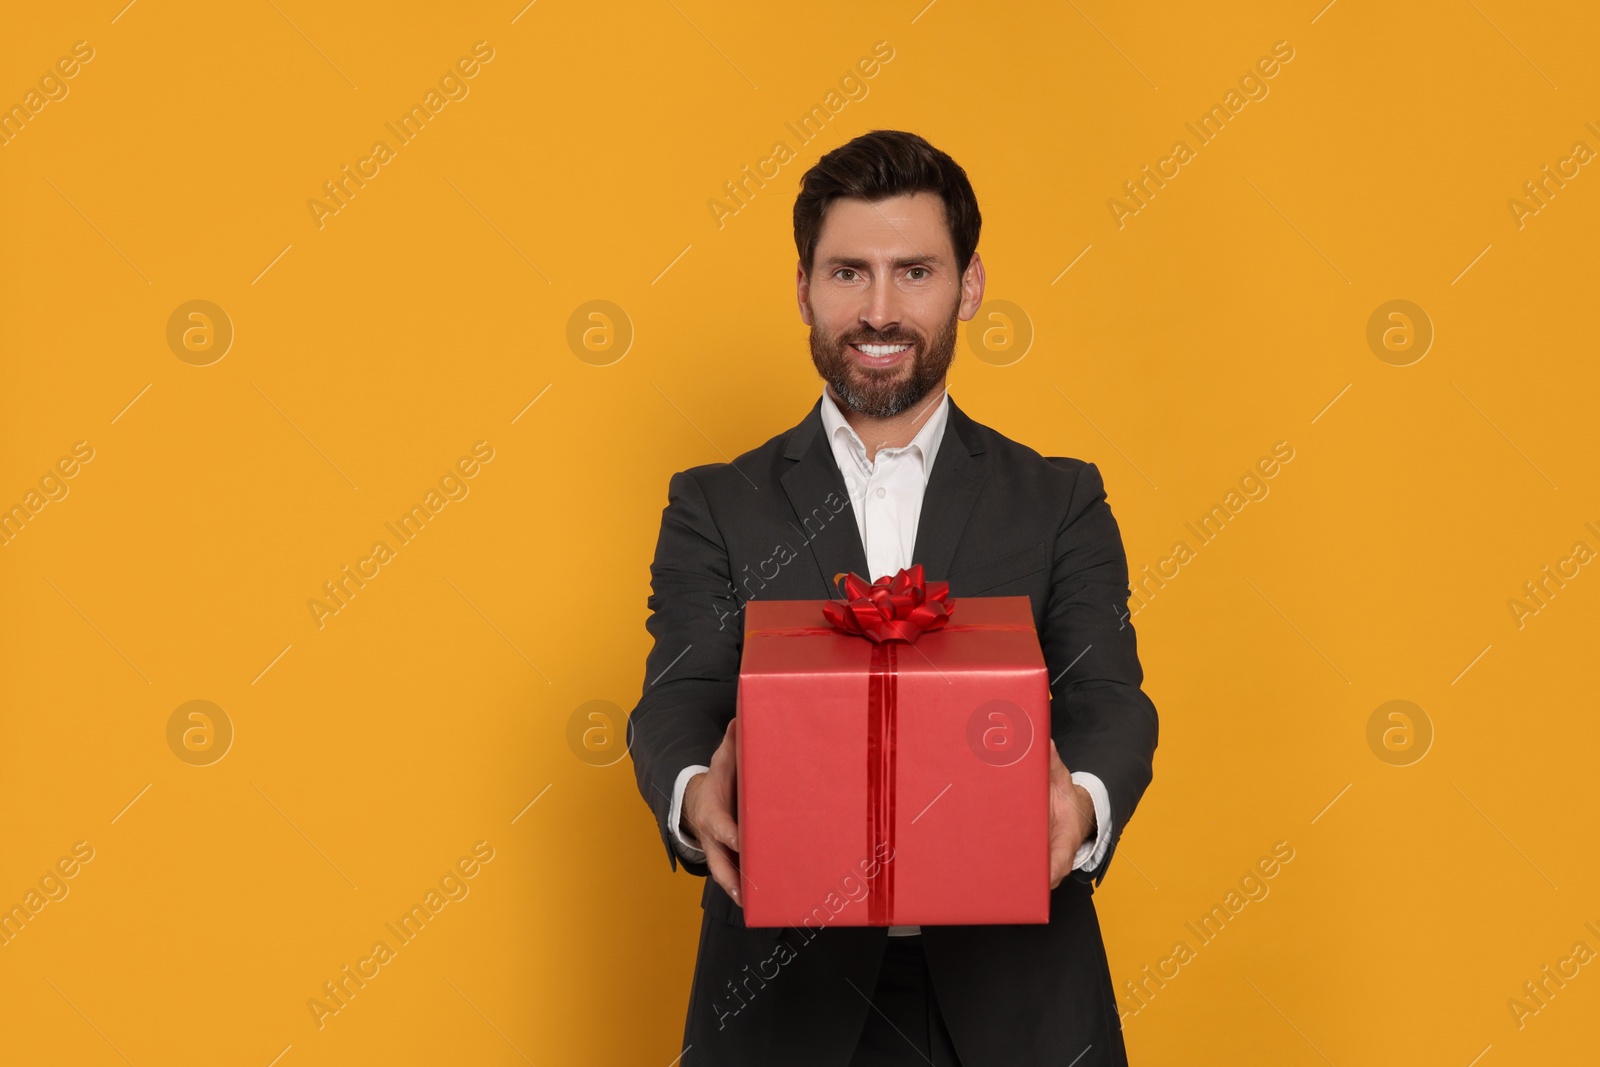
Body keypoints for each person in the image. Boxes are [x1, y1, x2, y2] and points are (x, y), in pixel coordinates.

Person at [629, 129, 1159, 1066]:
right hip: (781, 1004)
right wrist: (694, 795)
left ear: (971, 285)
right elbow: (678, 698)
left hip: (1022, 1006)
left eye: (914, 271)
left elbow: (1109, 701)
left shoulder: (1060, 497)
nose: (880, 309)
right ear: (803, 288)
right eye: (847, 273)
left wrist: (1076, 808)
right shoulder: (715, 502)